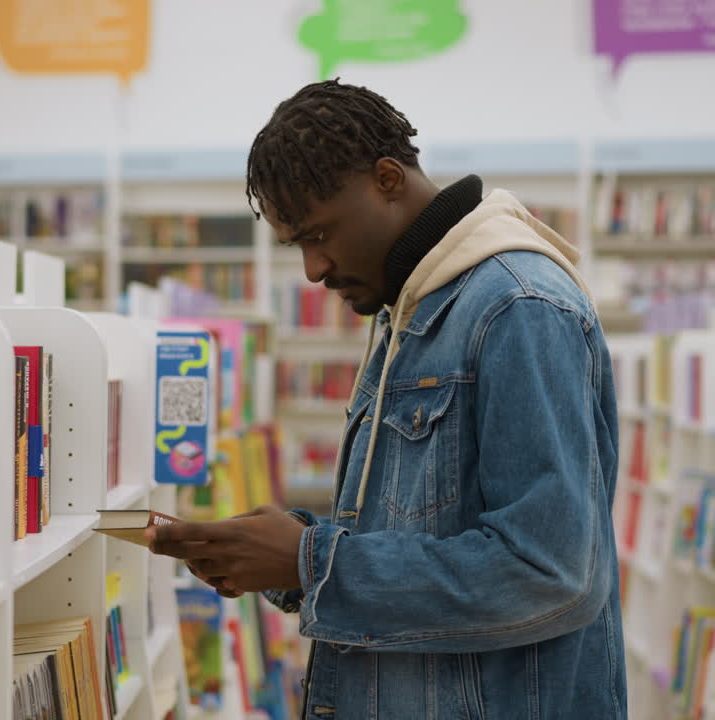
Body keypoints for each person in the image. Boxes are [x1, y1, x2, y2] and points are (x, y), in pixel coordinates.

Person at [147, 79, 625, 719]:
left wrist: (312, 562)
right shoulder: (410, 306)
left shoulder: (517, 307)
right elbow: (424, 531)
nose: (313, 270)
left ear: (388, 178)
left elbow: (551, 573)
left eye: (321, 234)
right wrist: (293, 553)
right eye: (299, 246)